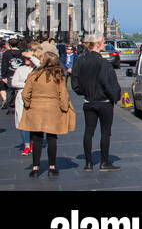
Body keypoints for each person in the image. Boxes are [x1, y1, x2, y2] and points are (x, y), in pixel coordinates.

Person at [20, 52, 76, 177]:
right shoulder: (58, 76)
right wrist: (63, 108)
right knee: (52, 138)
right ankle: (52, 167)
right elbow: (63, 95)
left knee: (37, 139)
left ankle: (35, 168)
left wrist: (28, 104)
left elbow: (25, 93)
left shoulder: (34, 74)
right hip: (52, 110)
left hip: (36, 109)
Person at [70, 37, 121, 171]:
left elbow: (74, 83)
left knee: (88, 132)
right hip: (104, 103)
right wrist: (115, 97)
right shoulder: (103, 63)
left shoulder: (80, 61)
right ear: (97, 44)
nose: (105, 44)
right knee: (105, 132)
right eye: (103, 42)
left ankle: (88, 163)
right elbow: (110, 84)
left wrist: (85, 92)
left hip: (89, 102)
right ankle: (104, 162)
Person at [11, 51, 34, 155]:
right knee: (21, 120)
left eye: (29, 58)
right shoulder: (20, 69)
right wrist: (26, 85)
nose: (26, 60)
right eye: (26, 58)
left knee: (33, 121)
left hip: (35, 98)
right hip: (21, 97)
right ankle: (26, 145)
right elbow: (14, 83)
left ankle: (33, 142)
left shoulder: (38, 70)